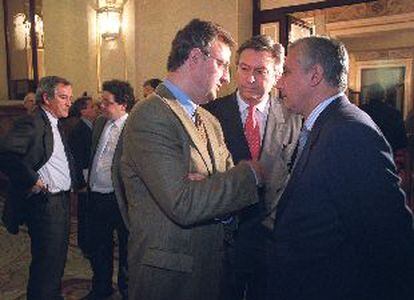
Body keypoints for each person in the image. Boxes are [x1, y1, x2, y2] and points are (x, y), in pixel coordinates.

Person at [121, 18, 264, 300]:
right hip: (168, 279)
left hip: (211, 270)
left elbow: (217, 194)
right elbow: (184, 204)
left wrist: (210, 190)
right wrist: (251, 174)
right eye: (222, 65)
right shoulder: (150, 114)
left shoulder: (210, 120)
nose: (226, 78)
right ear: (195, 57)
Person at [266, 36, 414, 300]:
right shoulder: (325, 124)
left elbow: (388, 236)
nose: (279, 82)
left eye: (287, 71)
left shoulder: (349, 131)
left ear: (315, 75)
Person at [204, 35, 301, 300]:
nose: (250, 79)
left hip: (272, 242)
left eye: (260, 71)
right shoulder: (208, 114)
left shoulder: (294, 119)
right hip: (221, 240)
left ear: (278, 74)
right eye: (244, 69)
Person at [0, 76, 78, 299]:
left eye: (70, 98)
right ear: (46, 98)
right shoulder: (33, 121)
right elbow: (5, 153)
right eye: (63, 97)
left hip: (60, 202)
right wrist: (32, 180)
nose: (68, 103)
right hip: (46, 205)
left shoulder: (54, 122)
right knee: (47, 265)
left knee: (56, 262)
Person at [85, 80, 134, 299]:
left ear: (123, 104)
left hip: (121, 198)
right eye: (101, 101)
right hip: (97, 195)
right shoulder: (99, 124)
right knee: (99, 246)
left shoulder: (134, 127)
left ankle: (126, 291)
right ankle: (101, 288)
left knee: (126, 248)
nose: (101, 106)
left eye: (107, 102)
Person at [67, 95, 98, 256]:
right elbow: (77, 159)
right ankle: (85, 245)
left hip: (91, 177)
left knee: (91, 213)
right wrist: (80, 183)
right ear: (83, 111)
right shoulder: (79, 130)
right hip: (84, 179)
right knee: (85, 213)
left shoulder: (92, 126)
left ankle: (91, 241)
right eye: (92, 107)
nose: (96, 109)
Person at [361, 83, 408, 153]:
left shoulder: (360, 112)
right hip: (388, 156)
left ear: (368, 95)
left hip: (365, 154)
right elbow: (401, 142)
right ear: (384, 96)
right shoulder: (394, 113)